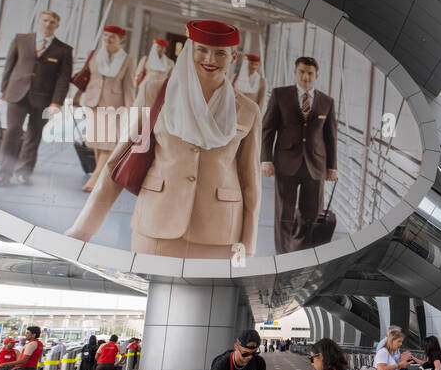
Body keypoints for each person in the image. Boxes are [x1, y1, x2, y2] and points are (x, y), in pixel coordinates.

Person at [66, 19, 261, 260]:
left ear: (233, 58)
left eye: (220, 53)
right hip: (156, 222)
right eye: (201, 50)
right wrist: (83, 229)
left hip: (220, 231)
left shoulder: (247, 109)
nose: (210, 59)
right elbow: (119, 160)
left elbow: (250, 183)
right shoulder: (155, 91)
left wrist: (248, 246)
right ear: (189, 51)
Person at [260, 56, 337, 253]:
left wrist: (332, 167)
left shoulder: (327, 102)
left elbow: (331, 137)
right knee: (284, 215)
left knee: (311, 215)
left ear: (316, 75)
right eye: (302, 72)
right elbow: (267, 130)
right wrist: (266, 160)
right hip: (286, 163)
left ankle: (303, 254)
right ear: (296, 72)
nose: (306, 76)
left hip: (316, 166)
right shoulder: (280, 95)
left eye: (310, 73)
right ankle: (284, 256)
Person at [0, 10, 73, 186]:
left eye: (52, 22)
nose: (48, 24)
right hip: (16, 94)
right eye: (45, 20)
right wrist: (3, 89)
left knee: (34, 134)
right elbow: (9, 65)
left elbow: (63, 79)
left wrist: (56, 102)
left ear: (57, 25)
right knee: (12, 131)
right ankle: (3, 174)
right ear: (39, 21)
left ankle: (24, 172)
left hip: (44, 99)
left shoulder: (64, 50)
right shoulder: (20, 40)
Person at [77, 24, 136, 192]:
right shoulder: (94, 55)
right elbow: (86, 78)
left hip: (115, 105)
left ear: (121, 40)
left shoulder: (128, 60)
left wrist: (129, 110)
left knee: (108, 143)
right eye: (105, 36)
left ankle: (94, 180)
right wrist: (77, 97)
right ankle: (99, 173)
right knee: (96, 142)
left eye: (112, 37)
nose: (107, 40)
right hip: (93, 103)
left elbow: (129, 86)